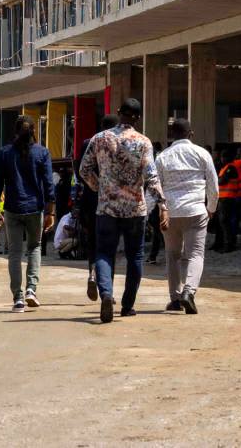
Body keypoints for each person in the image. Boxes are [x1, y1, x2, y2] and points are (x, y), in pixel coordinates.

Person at [79, 98, 166, 323]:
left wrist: (99, 187)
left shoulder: (100, 138)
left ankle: (107, 294)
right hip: (135, 209)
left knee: (104, 253)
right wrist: (162, 204)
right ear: (138, 118)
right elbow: (151, 176)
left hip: (107, 207)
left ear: (119, 113)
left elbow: (84, 169)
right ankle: (128, 305)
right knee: (135, 255)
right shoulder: (143, 142)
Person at [0, 115, 56, 313]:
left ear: (15, 131)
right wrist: (51, 211)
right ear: (34, 131)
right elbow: (49, 183)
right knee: (34, 247)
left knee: (14, 252)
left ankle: (18, 298)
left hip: (12, 208)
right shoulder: (42, 152)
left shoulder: (5, 153)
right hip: (35, 208)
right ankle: (31, 289)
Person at [154, 117, 218, 314]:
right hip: (195, 211)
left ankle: (175, 299)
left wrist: (156, 210)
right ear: (191, 134)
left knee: (172, 255)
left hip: (170, 212)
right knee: (195, 254)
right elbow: (213, 186)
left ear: (171, 135)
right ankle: (189, 292)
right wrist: (211, 208)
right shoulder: (202, 153)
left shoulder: (162, 157)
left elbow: (155, 187)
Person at [74, 114, 118, 298]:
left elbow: (80, 170)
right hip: (111, 200)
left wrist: (95, 186)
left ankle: (92, 272)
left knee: (93, 241)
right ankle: (108, 290)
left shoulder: (88, 143)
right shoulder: (119, 144)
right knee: (109, 245)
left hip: (90, 200)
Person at [214, 148, 240, 253]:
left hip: (228, 198)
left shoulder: (230, 168)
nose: (222, 159)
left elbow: (222, 181)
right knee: (220, 222)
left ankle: (228, 245)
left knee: (225, 222)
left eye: (223, 157)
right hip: (223, 198)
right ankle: (220, 243)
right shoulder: (224, 168)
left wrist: (214, 180)